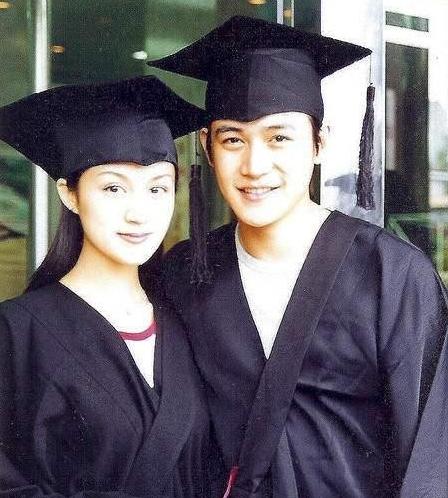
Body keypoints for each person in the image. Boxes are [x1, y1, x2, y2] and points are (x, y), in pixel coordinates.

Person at [150, 16, 448, 497]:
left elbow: (432, 459)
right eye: (232, 139)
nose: (254, 166)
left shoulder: (393, 276)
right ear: (206, 147)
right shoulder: (185, 274)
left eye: (279, 138)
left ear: (319, 143)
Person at [0, 76, 215, 496]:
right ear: (70, 194)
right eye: (114, 187)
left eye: (158, 188)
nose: (139, 213)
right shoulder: (17, 332)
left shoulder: (184, 320)